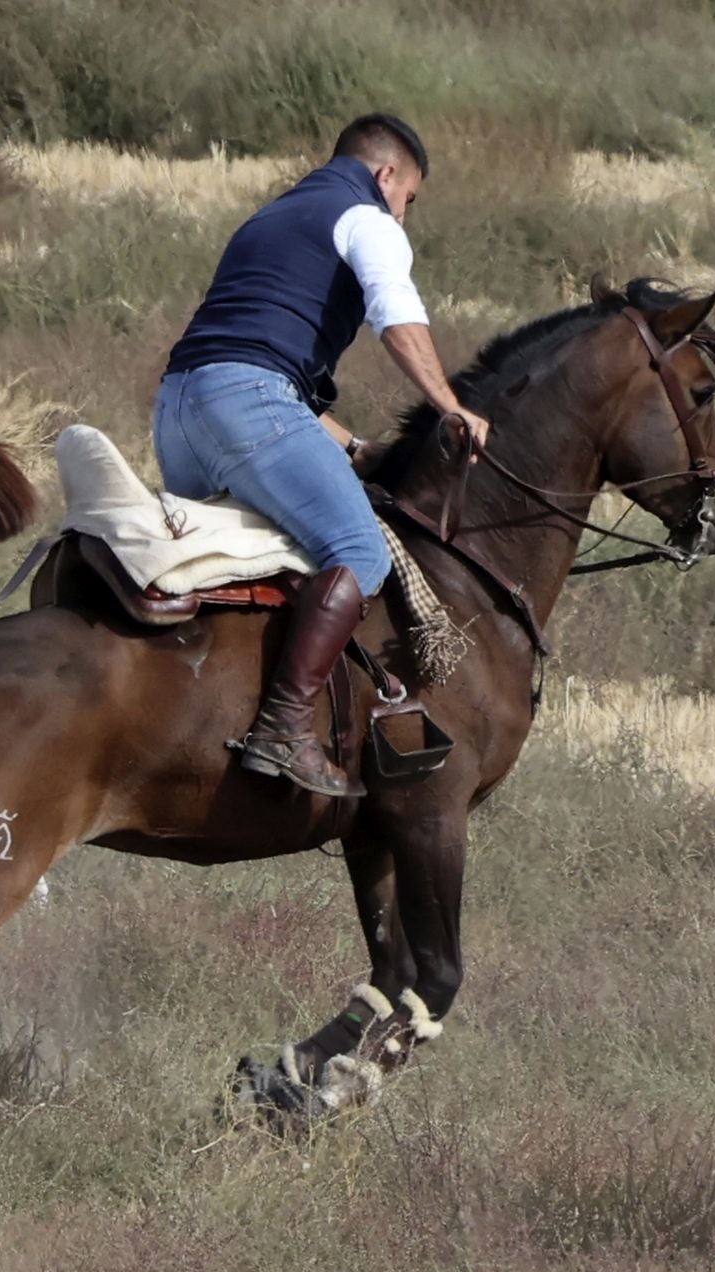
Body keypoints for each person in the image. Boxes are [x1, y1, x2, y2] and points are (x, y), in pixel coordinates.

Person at [154, 113, 491, 799]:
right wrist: (450, 405)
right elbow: (396, 318)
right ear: (386, 175)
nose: (405, 216)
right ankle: (282, 728)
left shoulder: (270, 220)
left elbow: (252, 348)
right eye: (409, 200)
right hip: (247, 403)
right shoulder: (366, 218)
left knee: (227, 568)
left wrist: (354, 448)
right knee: (357, 550)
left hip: (178, 410)